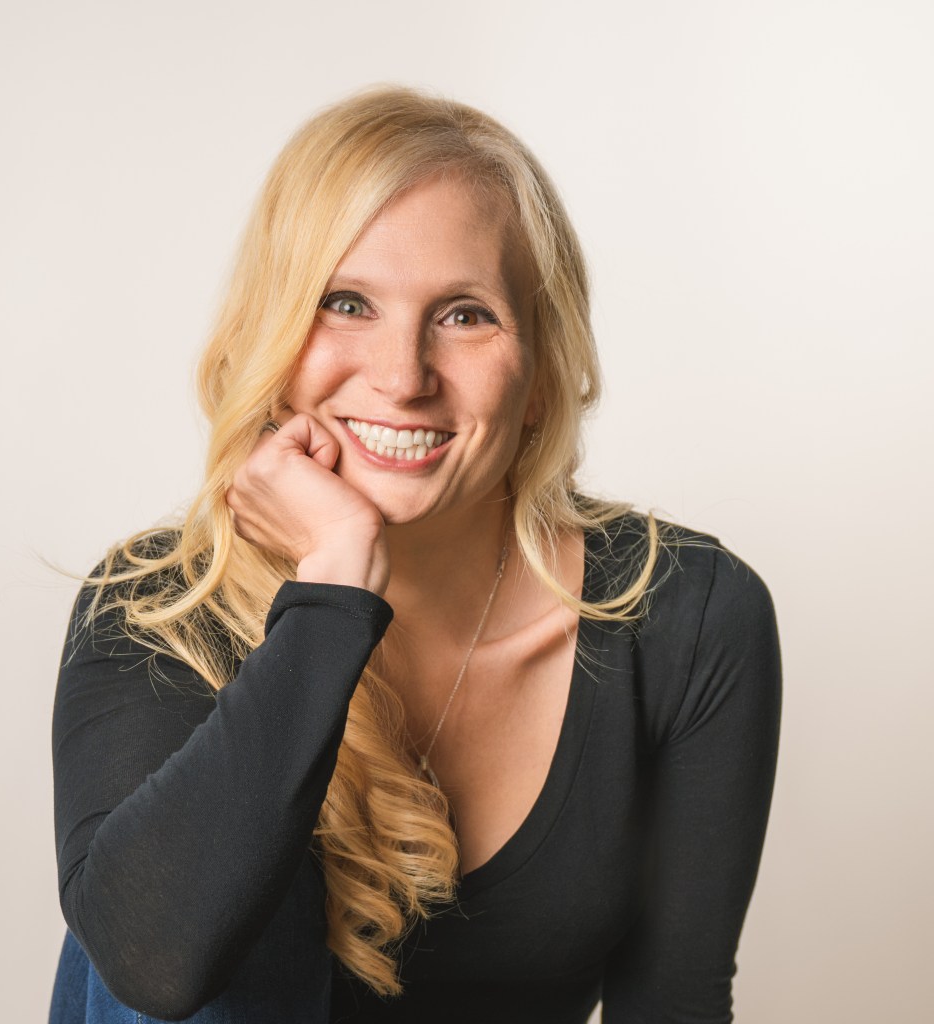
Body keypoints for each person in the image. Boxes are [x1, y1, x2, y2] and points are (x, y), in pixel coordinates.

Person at [49, 86, 781, 1024]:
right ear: (273, 337)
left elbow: (675, 1002)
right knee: (157, 871)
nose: (402, 377)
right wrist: (332, 588)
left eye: (465, 315)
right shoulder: (158, 606)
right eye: (346, 303)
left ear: (540, 367)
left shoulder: (685, 615)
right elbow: (155, 967)